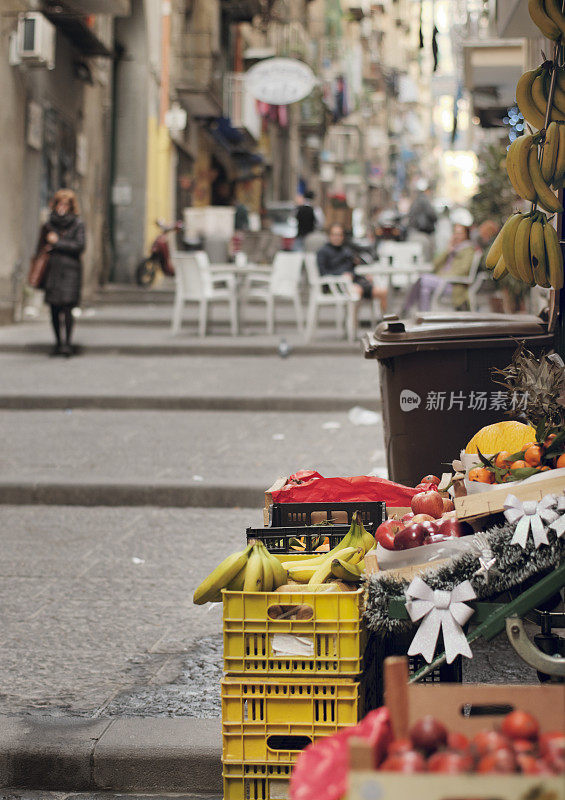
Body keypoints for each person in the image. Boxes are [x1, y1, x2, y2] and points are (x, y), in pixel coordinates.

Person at [35, 189, 85, 357]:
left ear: (71, 207)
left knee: (67, 308)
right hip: (53, 271)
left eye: (66, 204)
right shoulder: (49, 224)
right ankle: (57, 343)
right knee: (54, 309)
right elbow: (40, 247)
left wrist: (58, 243)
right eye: (59, 204)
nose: (62, 207)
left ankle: (67, 344)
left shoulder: (77, 224)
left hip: (70, 271)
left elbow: (79, 246)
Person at [401, 219, 477, 314]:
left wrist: (444, 275)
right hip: (441, 281)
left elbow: (464, 270)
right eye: (455, 233)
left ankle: (406, 308)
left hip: (453, 284)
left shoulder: (468, 250)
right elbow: (435, 265)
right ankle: (424, 316)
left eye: (460, 233)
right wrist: (448, 250)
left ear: (466, 235)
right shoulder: (452, 249)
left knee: (422, 279)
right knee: (424, 289)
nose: (457, 236)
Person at [316, 223, 388, 311]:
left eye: (339, 235)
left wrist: (365, 275)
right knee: (357, 291)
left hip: (355, 281)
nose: (337, 237)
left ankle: (383, 322)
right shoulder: (323, 252)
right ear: (329, 236)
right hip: (336, 284)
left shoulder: (346, 250)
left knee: (382, 291)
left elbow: (354, 267)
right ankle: (353, 323)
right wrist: (342, 275)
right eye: (334, 234)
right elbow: (323, 273)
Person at [407, 178, 437, 261]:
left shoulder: (415, 201)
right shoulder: (424, 200)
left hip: (414, 233)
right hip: (423, 234)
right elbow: (433, 215)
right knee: (426, 259)